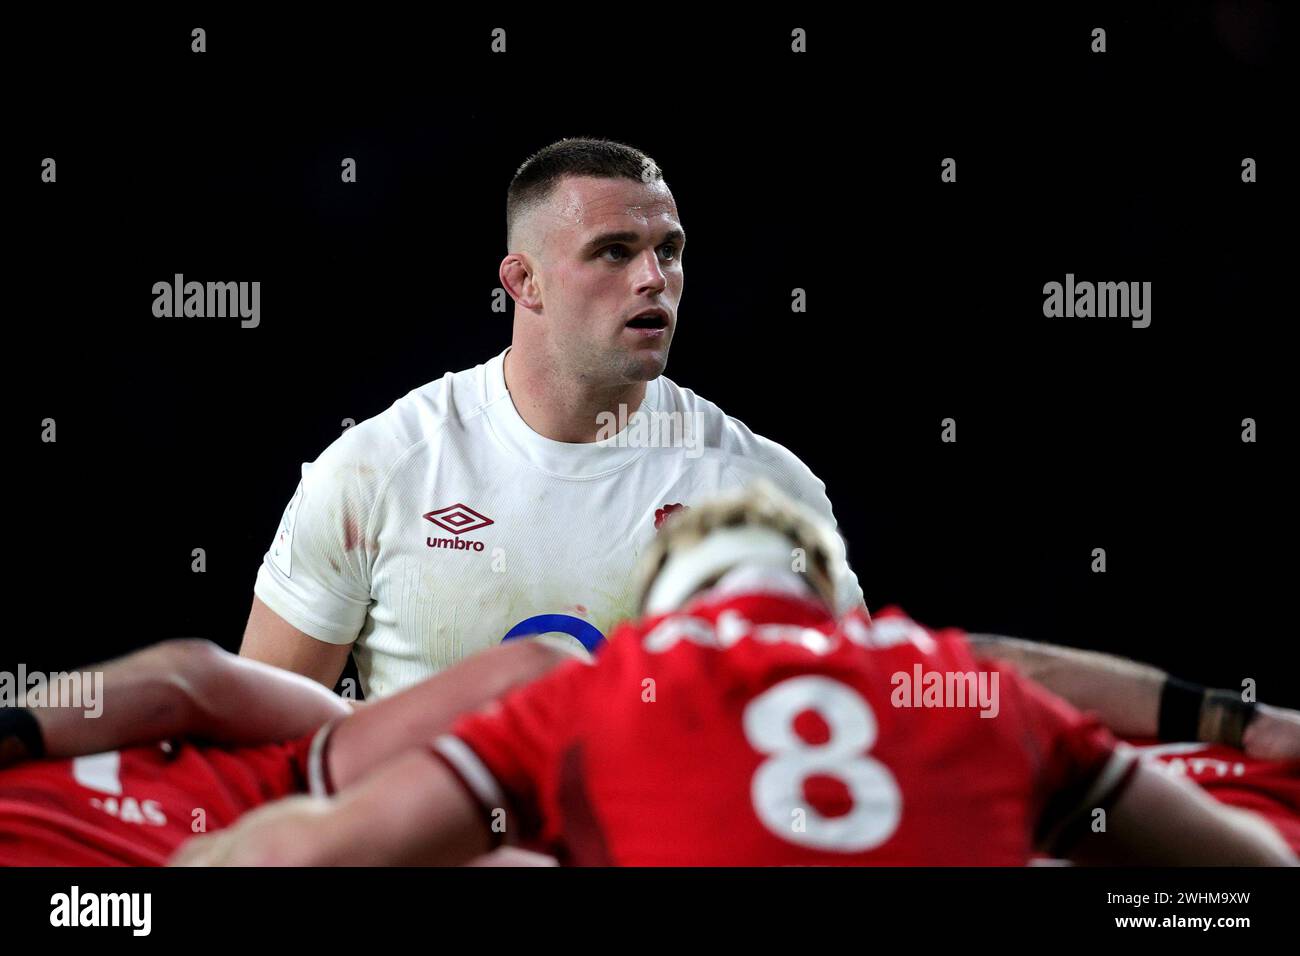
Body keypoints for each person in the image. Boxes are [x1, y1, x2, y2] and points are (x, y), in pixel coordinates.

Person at [174, 484, 1297, 866]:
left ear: (664, 603)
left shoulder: (597, 692)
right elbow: (1243, 864)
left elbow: (326, 847)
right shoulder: (960, 681)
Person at [240, 137, 862, 698]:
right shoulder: (375, 474)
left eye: (668, 251)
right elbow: (261, 749)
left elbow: (853, 726)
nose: (654, 278)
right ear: (523, 281)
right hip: (436, 828)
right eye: (615, 252)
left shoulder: (762, 490)